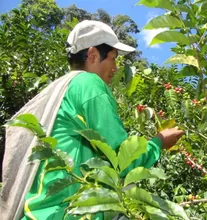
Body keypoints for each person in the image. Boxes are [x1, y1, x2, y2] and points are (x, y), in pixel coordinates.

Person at [2, 20, 184, 219]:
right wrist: (159, 142)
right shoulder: (89, 83)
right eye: (113, 59)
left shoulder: (61, 89)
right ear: (92, 55)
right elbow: (122, 159)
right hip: (68, 213)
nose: (115, 68)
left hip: (39, 212)